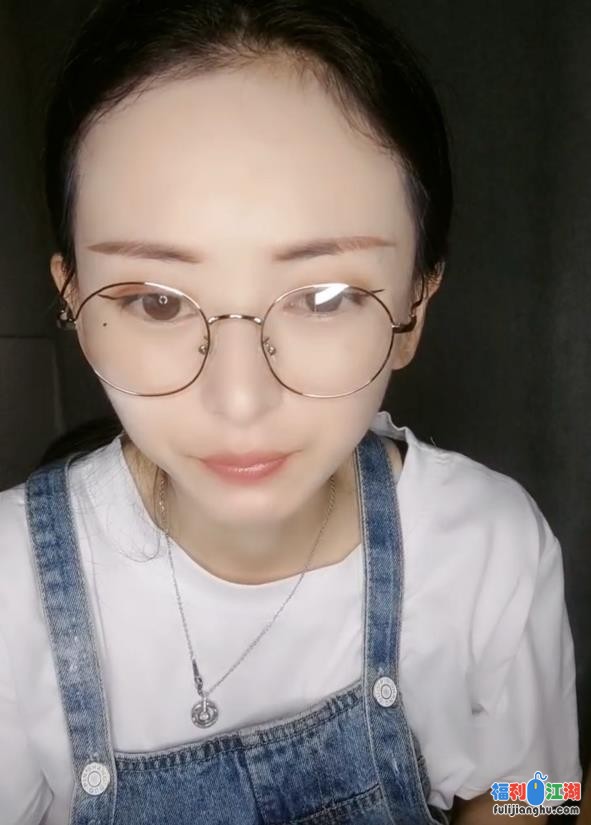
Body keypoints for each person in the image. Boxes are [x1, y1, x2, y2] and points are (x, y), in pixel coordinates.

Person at [0, 0, 581, 823]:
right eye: (155, 301)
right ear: (74, 302)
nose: (240, 401)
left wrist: (538, 800)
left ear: (414, 308)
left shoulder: (488, 547)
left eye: (326, 296)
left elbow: (542, 790)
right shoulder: (11, 592)